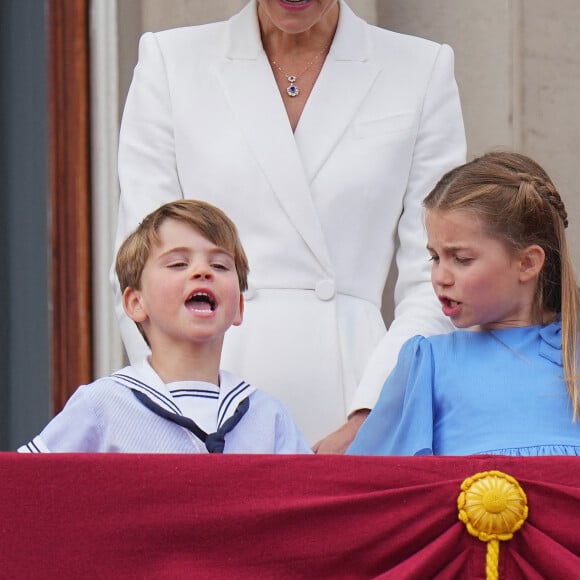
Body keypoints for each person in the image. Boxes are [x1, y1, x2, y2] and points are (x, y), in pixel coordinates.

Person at [113, 0, 466, 451]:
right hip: (202, 406)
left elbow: (437, 278)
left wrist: (373, 414)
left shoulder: (420, 68)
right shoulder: (171, 61)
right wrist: (176, 409)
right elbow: (138, 264)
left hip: (354, 397)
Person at [20, 200, 311, 454]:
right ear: (136, 303)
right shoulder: (101, 405)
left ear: (239, 308)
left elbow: (312, 508)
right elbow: (25, 487)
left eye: (220, 266)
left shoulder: (269, 417)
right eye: (177, 264)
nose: (202, 271)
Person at [348, 151, 580, 456]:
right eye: (434, 258)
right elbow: (375, 484)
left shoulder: (573, 354)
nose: (440, 277)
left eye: (461, 259)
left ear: (527, 263)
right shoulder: (427, 365)